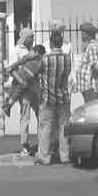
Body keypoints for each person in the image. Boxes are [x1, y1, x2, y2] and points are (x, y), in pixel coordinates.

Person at [35, 30, 73, 166]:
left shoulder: (45, 59)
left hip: (47, 97)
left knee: (46, 126)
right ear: (61, 44)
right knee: (63, 127)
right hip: (63, 97)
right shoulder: (67, 58)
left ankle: (44, 157)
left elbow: (37, 72)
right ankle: (65, 156)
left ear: (51, 43)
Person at [3, 29, 41, 155]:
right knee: (25, 117)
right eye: (31, 37)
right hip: (24, 88)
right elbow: (11, 69)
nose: (33, 39)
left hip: (35, 87)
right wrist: (21, 81)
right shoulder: (17, 50)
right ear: (26, 38)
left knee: (41, 114)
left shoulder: (33, 51)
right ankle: (24, 143)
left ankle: (42, 141)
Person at [71, 21, 98, 118]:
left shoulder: (92, 47)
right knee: (89, 111)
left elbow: (96, 66)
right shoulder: (89, 47)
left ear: (89, 36)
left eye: (83, 35)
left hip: (91, 87)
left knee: (91, 113)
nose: (81, 37)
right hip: (87, 88)